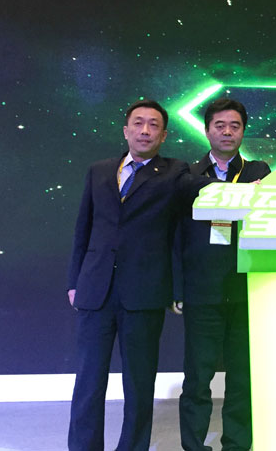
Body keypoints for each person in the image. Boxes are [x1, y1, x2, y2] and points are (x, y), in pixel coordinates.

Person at [66, 100, 203, 451]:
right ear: (126, 130)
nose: (145, 130)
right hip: (96, 289)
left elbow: (204, 187)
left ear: (164, 135)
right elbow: (84, 228)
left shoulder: (174, 172)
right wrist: (74, 281)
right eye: (138, 123)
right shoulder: (99, 170)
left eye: (153, 125)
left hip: (144, 292)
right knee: (88, 381)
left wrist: (255, 183)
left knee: (139, 384)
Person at [175, 98, 270, 451]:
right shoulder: (187, 175)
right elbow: (175, 235)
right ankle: (194, 445)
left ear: (243, 131)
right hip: (202, 291)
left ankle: (237, 444)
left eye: (235, 126)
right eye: (220, 125)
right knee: (198, 378)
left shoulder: (260, 171)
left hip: (247, 289)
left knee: (243, 378)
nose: (227, 132)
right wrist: (177, 287)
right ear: (206, 130)